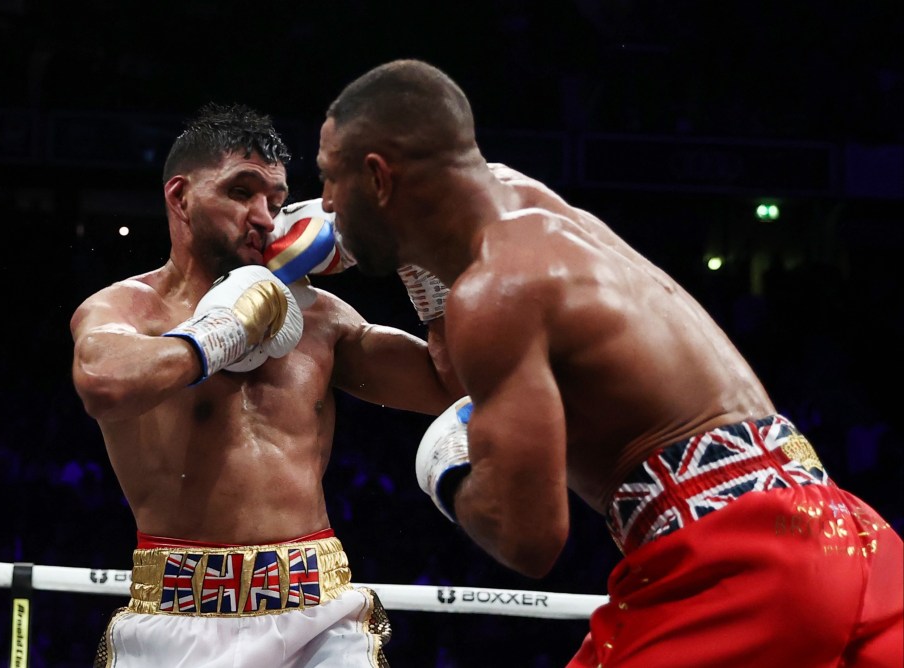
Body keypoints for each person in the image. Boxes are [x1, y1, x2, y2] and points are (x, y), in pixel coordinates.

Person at [315, 59, 904, 667]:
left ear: (380, 179)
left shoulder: (497, 293)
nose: (326, 202)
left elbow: (529, 538)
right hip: (844, 531)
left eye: (331, 178)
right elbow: (458, 370)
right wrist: (411, 257)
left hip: (739, 562)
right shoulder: (538, 217)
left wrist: (447, 469)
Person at [69, 102, 461, 667]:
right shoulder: (129, 308)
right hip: (179, 618)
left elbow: (447, 383)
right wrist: (223, 333)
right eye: (241, 192)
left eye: (276, 201)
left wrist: (420, 263)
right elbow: (103, 382)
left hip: (318, 617)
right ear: (180, 197)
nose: (263, 217)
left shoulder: (319, 317)